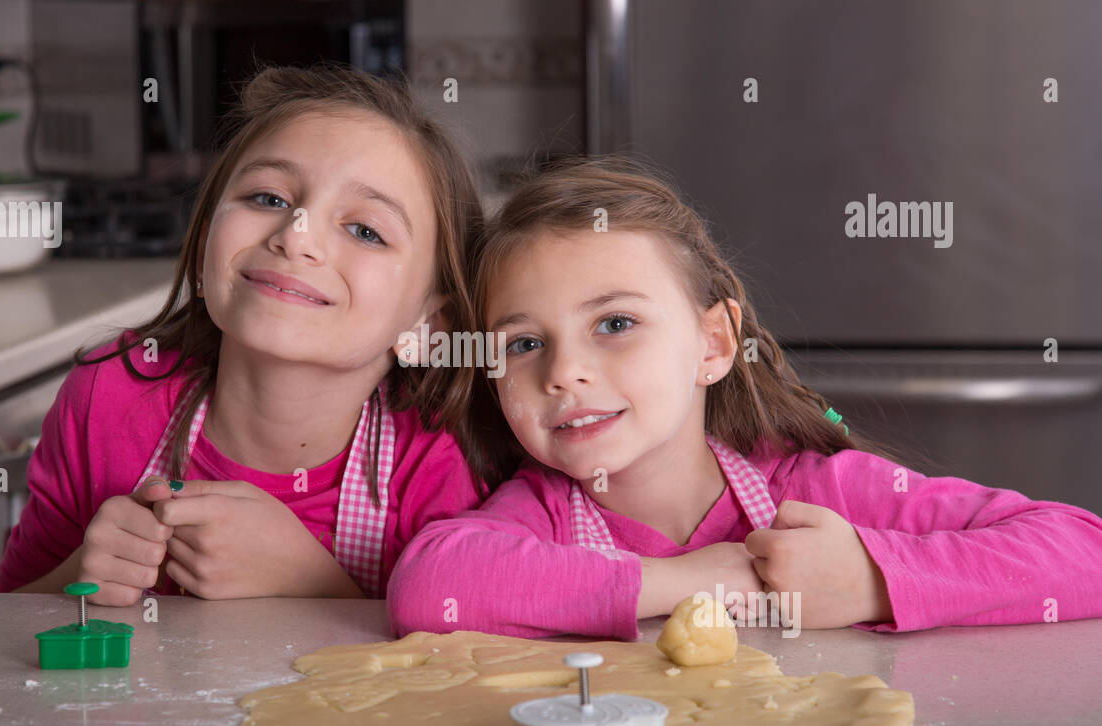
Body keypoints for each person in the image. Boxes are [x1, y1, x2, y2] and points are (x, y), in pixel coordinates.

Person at [388, 154, 1102, 638]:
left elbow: (1082, 549)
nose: (564, 372)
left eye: (615, 324)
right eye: (524, 343)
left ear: (713, 345)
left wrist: (874, 580)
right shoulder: (538, 513)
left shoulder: (817, 490)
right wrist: (688, 580)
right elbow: (430, 585)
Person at [0, 63, 486, 604]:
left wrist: (313, 585)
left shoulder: (437, 463)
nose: (296, 239)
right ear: (206, 242)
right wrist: (79, 581)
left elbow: (459, 673)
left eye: (365, 230)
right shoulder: (106, 400)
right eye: (269, 199)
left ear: (427, 324)